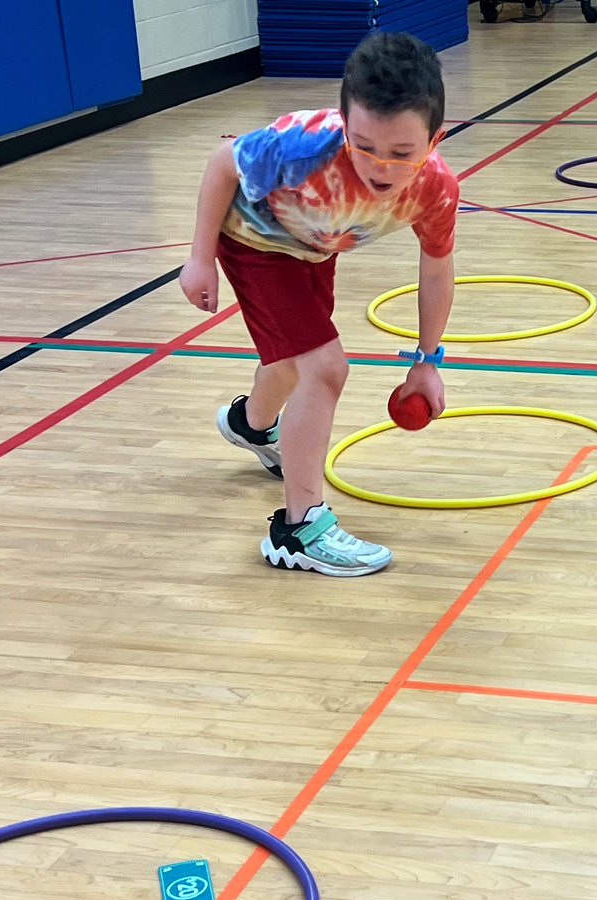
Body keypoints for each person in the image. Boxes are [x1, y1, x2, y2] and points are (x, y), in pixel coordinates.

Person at [180, 31, 459, 577]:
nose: (381, 168)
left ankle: (252, 425)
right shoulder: (304, 144)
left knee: (289, 366)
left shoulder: (436, 189)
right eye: (365, 147)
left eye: (402, 153)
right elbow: (223, 161)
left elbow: (436, 267)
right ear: (343, 124)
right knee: (326, 367)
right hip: (253, 243)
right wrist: (199, 257)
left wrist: (427, 362)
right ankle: (298, 528)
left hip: (314, 252)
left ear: (434, 139)